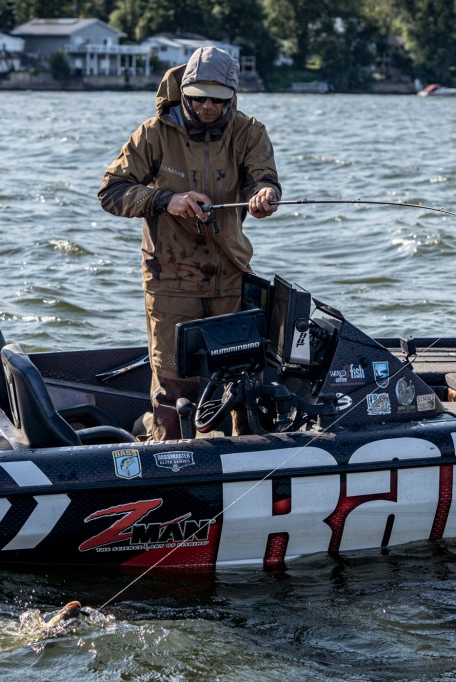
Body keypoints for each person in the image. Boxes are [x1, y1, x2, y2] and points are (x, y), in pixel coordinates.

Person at [99, 46, 281, 441]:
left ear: (232, 97)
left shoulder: (250, 132)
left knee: (239, 379)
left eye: (218, 100)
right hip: (170, 278)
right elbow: (111, 192)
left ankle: (244, 454)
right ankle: (167, 453)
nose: (209, 107)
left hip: (230, 276)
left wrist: (264, 196)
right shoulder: (153, 133)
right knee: (173, 385)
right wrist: (167, 200)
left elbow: (264, 179)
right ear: (184, 93)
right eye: (199, 99)